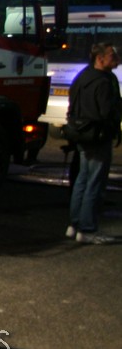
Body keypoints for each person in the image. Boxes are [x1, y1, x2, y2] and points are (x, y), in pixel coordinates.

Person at [66, 41, 122, 244]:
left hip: (81, 134)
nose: (117, 60)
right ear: (100, 58)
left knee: (82, 179)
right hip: (98, 136)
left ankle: (74, 225)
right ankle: (88, 228)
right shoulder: (104, 81)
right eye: (112, 56)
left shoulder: (83, 76)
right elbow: (107, 112)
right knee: (95, 183)